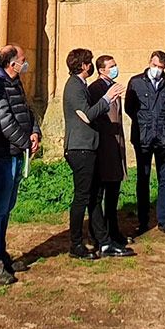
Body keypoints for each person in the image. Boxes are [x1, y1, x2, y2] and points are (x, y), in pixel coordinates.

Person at [63, 48, 133, 259]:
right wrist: (107, 98)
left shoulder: (80, 85)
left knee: (93, 196)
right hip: (80, 147)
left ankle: (104, 242)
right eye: (89, 62)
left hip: (88, 146)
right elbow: (86, 115)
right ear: (83, 65)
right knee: (82, 197)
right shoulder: (74, 85)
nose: (91, 65)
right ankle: (76, 244)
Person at [0, 44, 42, 285]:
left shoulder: (14, 84)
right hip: (2, 154)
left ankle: (2, 254)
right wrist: (25, 141)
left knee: (7, 206)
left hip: (16, 152)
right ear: (11, 63)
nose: (25, 63)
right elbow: (4, 121)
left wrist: (35, 132)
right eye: (23, 59)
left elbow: (26, 111)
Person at [125, 50, 165, 235]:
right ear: (150, 62)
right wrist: (144, 122)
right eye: (156, 66)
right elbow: (129, 108)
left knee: (164, 178)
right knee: (143, 178)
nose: (158, 70)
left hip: (164, 137)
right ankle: (143, 220)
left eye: (161, 68)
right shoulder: (136, 82)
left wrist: (161, 123)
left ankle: (163, 220)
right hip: (143, 137)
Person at [88, 55, 131, 248]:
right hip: (104, 145)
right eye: (111, 66)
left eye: (115, 65)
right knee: (100, 193)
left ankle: (114, 231)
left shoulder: (113, 86)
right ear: (101, 69)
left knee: (114, 192)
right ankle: (100, 234)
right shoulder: (96, 88)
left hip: (115, 144)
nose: (115, 68)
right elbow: (95, 115)